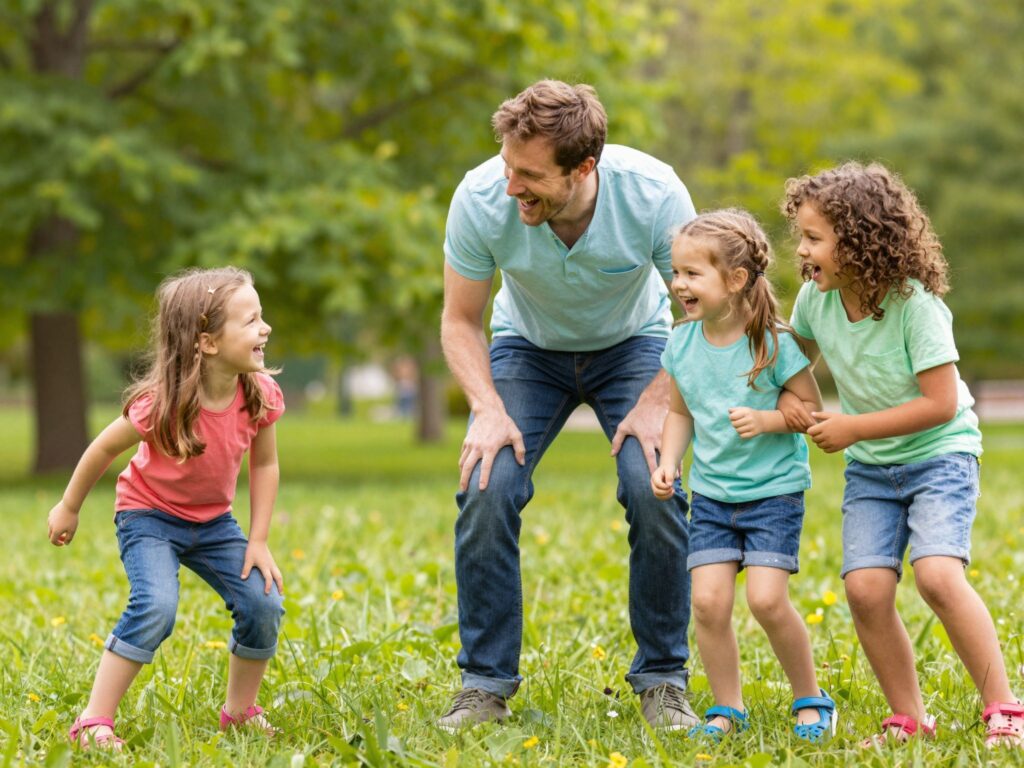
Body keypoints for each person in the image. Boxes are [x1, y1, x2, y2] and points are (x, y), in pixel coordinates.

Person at [438, 80, 698, 732]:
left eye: (528, 175)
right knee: (487, 483)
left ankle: (663, 681)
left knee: (654, 486)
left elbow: (701, 313)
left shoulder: (654, 194)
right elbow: (459, 320)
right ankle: (484, 686)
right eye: (507, 166)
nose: (510, 186)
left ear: (584, 167)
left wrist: (657, 397)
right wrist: (487, 407)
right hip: (526, 349)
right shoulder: (479, 199)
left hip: (636, 347)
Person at [782, 161, 1023, 748]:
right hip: (872, 468)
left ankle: (1005, 710)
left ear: (861, 242)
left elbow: (941, 404)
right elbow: (791, 364)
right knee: (865, 590)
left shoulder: (915, 306)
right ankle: (908, 718)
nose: (802, 252)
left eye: (814, 239)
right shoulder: (816, 302)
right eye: (801, 238)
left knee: (938, 577)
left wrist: (853, 427)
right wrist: (785, 396)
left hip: (940, 454)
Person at [47, 267, 286, 749]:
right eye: (252, 320)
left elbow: (265, 465)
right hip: (148, 517)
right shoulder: (162, 403)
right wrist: (69, 506)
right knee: (156, 605)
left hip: (215, 523)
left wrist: (257, 540)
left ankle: (239, 713)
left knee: (263, 602)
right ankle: (93, 722)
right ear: (208, 342)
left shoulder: (258, 393)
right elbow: (101, 449)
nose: (266, 329)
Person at [650, 209, 836, 742]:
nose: (679, 283)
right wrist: (669, 462)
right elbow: (681, 412)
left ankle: (810, 698)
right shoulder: (682, 344)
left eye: (692, 273)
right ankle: (728, 708)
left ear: (734, 281)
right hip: (711, 495)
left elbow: (811, 409)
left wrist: (768, 419)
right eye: (677, 271)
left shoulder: (773, 343)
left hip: (772, 494)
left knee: (766, 601)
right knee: (707, 604)